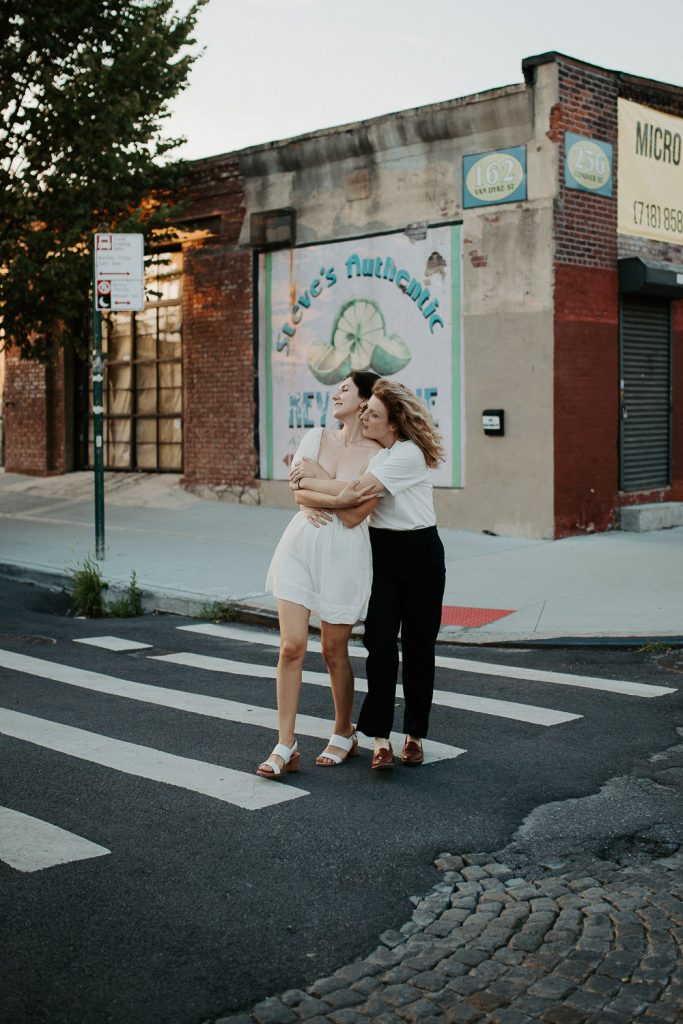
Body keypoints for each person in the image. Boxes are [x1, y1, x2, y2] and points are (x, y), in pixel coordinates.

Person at [256, 371, 381, 779]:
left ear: (364, 402)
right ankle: (285, 744)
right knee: (291, 646)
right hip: (300, 546)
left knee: (332, 651)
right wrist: (341, 490)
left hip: (344, 554)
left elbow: (355, 514)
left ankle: (344, 730)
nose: (337, 393)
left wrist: (323, 486)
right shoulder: (315, 437)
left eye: (346, 388)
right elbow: (298, 494)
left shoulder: (379, 455)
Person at [334, 379, 446, 770]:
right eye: (365, 410)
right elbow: (346, 500)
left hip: (420, 553)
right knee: (380, 644)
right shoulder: (375, 453)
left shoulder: (407, 455)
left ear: (394, 424)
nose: (364, 416)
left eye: (373, 414)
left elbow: (351, 503)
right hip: (381, 553)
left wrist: (308, 487)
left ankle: (414, 735)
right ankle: (380, 739)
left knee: (418, 646)